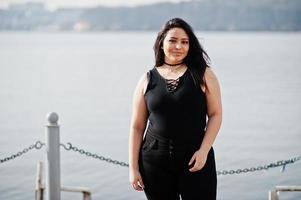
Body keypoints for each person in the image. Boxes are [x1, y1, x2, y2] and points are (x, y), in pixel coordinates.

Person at [128, 18, 222, 200]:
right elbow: (137, 127)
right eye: (172, 40)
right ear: (161, 43)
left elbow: (216, 115)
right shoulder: (147, 79)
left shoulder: (204, 74)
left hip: (196, 160)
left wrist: (203, 151)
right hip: (154, 162)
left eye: (184, 42)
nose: (178, 46)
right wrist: (133, 168)